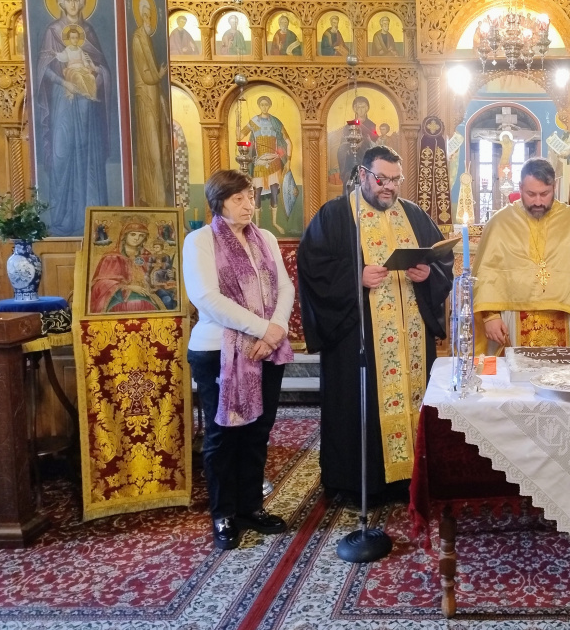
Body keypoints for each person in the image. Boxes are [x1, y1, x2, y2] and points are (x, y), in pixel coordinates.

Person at [297, 145, 453, 501]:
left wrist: (428, 273)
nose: (390, 187)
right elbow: (312, 269)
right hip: (358, 340)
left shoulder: (413, 214)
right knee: (358, 407)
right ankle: (357, 483)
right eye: (383, 179)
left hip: (411, 341)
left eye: (396, 180)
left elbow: (441, 261)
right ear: (363, 175)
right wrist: (356, 277)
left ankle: (411, 478)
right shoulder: (335, 215)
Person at [183, 170, 295, 550]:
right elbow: (207, 298)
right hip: (217, 349)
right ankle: (224, 513)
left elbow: (285, 287)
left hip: (266, 347)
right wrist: (264, 329)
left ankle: (251, 507)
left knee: (258, 431)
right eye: (239, 199)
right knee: (223, 435)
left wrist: (275, 329)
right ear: (219, 203)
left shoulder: (266, 238)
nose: (249, 205)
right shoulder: (200, 241)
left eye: (251, 197)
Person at [474, 157, 570, 350]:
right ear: (520, 188)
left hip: (567, 320)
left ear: (554, 187)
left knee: (564, 369)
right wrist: (490, 316)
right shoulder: (499, 223)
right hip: (514, 317)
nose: (538, 201)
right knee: (516, 369)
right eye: (531, 194)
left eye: (544, 194)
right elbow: (486, 274)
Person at [33, 0, 112, 236]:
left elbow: (102, 68)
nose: (73, 3)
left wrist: (96, 76)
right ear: (60, 2)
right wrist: (64, 81)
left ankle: (92, 221)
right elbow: (43, 69)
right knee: (62, 153)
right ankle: (62, 220)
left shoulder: (89, 31)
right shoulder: (53, 31)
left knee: (87, 154)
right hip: (64, 100)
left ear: (84, 2)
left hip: (87, 102)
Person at [131, 0, 172, 208]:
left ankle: (159, 198)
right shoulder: (138, 39)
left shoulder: (146, 38)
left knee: (158, 145)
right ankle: (153, 197)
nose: (148, 20)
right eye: (145, 16)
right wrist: (160, 75)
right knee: (151, 147)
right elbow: (146, 73)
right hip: (146, 98)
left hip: (154, 97)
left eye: (150, 16)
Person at [240, 96, 292, 233]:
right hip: (260, 161)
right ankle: (257, 224)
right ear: (259, 106)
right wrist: (238, 129)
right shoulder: (254, 121)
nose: (264, 107)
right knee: (257, 192)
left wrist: (289, 160)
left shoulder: (275, 122)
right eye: (262, 104)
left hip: (274, 160)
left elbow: (288, 142)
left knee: (274, 192)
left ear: (269, 106)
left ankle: (274, 223)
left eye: (266, 104)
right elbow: (240, 137)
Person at [89, 220, 165, 313]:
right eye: (133, 234)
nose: (136, 238)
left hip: (146, 294)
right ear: (125, 236)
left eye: (141, 235)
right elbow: (101, 284)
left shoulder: (147, 256)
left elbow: (156, 276)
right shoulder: (112, 257)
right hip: (118, 297)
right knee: (133, 305)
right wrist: (128, 287)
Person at [57, 25, 98, 101]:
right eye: (73, 38)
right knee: (78, 77)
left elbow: (84, 60)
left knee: (91, 77)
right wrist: (56, 54)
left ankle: (92, 96)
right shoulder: (67, 49)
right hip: (72, 70)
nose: (75, 40)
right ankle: (84, 93)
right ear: (69, 39)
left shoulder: (80, 50)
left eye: (76, 38)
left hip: (82, 69)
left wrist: (87, 66)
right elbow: (63, 57)